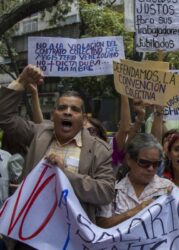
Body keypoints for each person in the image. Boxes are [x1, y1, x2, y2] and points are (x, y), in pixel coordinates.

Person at [0, 65, 115, 224]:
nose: (67, 112)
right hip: (30, 229)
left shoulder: (99, 150)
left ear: (83, 120)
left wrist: (64, 174)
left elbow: (105, 192)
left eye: (74, 109)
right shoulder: (38, 134)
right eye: (62, 108)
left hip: (72, 235)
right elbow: (4, 117)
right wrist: (21, 81)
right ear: (53, 115)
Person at [96, 133, 175, 228]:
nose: (150, 168)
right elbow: (101, 225)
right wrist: (132, 213)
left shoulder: (168, 189)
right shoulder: (112, 190)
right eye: (144, 163)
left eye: (155, 164)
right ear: (129, 160)